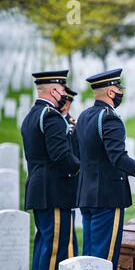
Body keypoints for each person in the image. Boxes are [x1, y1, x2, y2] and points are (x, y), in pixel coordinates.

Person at [76, 69, 135, 270]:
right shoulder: (109, 119)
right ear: (110, 92)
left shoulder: (84, 116)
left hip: (86, 194)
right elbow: (119, 158)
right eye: (118, 89)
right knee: (103, 260)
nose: (120, 93)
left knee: (89, 255)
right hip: (107, 196)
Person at [21, 70, 80, 270]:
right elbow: (60, 156)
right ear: (54, 90)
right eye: (63, 89)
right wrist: (81, 172)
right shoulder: (51, 115)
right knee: (55, 250)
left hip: (41, 190)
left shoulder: (33, 114)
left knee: (44, 248)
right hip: (54, 190)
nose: (65, 93)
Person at [60, 86, 80, 257]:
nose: (66, 104)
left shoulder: (75, 125)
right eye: (64, 100)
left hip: (71, 177)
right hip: (58, 177)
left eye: (69, 101)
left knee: (69, 230)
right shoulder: (50, 120)